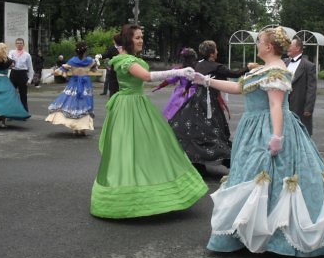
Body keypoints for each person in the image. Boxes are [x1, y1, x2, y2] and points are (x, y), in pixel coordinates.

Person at [194, 26, 324, 257]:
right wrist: (205, 81)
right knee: (251, 177)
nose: (257, 44)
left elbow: (275, 106)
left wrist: (277, 137)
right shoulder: (265, 69)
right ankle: (244, 232)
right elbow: (238, 87)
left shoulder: (276, 72)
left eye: (259, 41)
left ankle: (274, 237)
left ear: (269, 46)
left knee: (270, 179)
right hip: (253, 129)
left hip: (268, 128)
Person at [90, 24, 208, 219]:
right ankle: (126, 197)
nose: (141, 40)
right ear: (128, 40)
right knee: (127, 149)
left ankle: (152, 188)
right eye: (137, 37)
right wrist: (177, 72)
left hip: (139, 104)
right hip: (128, 107)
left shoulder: (132, 59)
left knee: (150, 147)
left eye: (141, 37)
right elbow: (146, 76)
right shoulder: (124, 60)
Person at [169, 40, 251, 171]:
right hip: (208, 102)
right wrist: (248, 67)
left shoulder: (197, 64)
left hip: (195, 99)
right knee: (212, 129)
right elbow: (235, 74)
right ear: (212, 53)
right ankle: (224, 159)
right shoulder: (217, 66)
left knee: (192, 128)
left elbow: (192, 78)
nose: (217, 52)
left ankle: (197, 162)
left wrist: (187, 89)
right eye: (216, 50)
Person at [45, 42, 96, 136]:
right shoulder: (90, 60)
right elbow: (94, 69)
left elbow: (62, 70)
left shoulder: (73, 60)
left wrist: (55, 72)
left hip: (74, 83)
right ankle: (83, 128)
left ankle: (75, 128)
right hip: (86, 84)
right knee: (85, 103)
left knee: (73, 103)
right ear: (86, 50)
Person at [152, 47, 198, 120]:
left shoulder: (180, 70)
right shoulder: (199, 69)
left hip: (182, 92)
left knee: (175, 112)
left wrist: (160, 86)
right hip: (196, 92)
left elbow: (170, 79)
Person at [283, 37, 317, 135]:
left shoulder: (308, 66)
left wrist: (308, 108)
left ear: (297, 48)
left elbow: (311, 89)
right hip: (283, 103)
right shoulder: (284, 63)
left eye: (290, 46)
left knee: (300, 132)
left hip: (299, 105)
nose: (287, 48)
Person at [8, 38, 34, 111]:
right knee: (11, 94)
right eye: (17, 43)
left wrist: (29, 79)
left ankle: (24, 112)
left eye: (20, 43)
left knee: (23, 95)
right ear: (15, 44)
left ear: (23, 44)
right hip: (14, 74)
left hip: (22, 74)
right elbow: (9, 58)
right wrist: (11, 62)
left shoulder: (27, 55)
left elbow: (30, 68)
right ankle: (11, 112)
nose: (19, 44)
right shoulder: (12, 52)